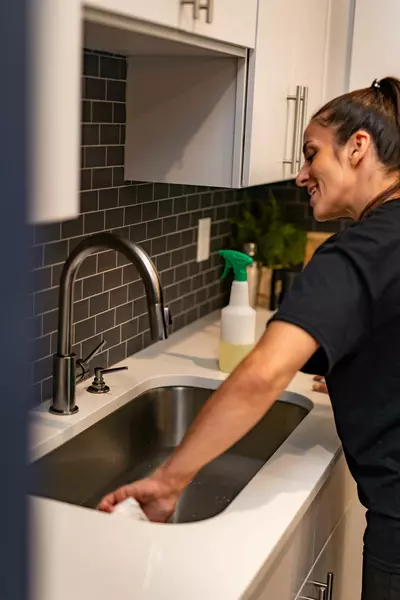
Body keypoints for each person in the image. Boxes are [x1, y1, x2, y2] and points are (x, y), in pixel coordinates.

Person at [99, 77, 400, 600]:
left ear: (358, 147)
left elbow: (263, 373)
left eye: (312, 154)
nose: (301, 174)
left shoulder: (357, 251)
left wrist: (168, 481)